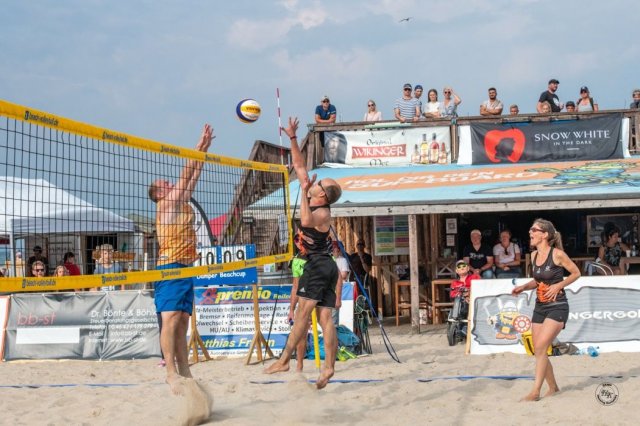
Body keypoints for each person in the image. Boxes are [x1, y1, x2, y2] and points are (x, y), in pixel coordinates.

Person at [265, 117, 342, 389]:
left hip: (318, 266)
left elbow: (306, 221)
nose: (314, 184)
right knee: (324, 318)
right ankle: (328, 367)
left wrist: (305, 191)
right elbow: (298, 165)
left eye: (319, 186)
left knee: (302, 315)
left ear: (323, 196)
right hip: (324, 265)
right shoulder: (314, 195)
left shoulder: (322, 212)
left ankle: (285, 359)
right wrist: (293, 138)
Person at [148, 123, 213, 394]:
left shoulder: (181, 203)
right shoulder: (166, 205)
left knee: (183, 321)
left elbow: (192, 177)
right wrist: (197, 147)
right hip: (170, 267)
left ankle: (184, 369)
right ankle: (171, 372)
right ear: (159, 194)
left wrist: (204, 152)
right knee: (171, 319)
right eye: (164, 183)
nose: (169, 182)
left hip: (186, 268)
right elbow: (185, 175)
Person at [512, 219, 580, 401]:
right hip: (540, 306)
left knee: (541, 347)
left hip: (558, 306)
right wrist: (523, 287)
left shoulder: (557, 254)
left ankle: (535, 392)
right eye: (530, 229)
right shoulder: (534, 255)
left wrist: (559, 285)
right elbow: (538, 281)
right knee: (539, 350)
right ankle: (554, 387)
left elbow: (576, 273)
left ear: (545, 235)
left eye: (534, 229)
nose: (530, 232)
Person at [332, 240, 349, 326]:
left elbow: (344, 275)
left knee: (334, 317)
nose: (334, 251)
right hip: (330, 290)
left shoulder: (343, 260)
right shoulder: (328, 260)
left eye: (336, 249)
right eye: (332, 249)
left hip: (339, 288)